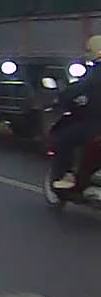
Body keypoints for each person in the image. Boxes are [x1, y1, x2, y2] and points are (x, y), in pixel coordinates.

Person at [50, 35, 101, 197]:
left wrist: (61, 98)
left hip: (95, 123)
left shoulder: (97, 71)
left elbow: (79, 87)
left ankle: (68, 177)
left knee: (64, 138)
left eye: (88, 50)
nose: (86, 54)